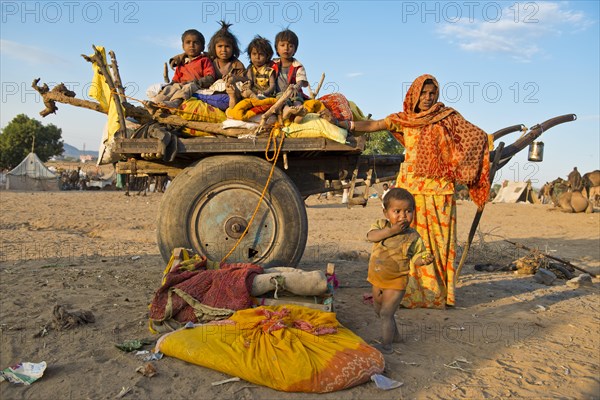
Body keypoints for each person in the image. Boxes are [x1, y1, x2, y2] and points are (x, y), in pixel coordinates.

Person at [343, 74, 490, 308]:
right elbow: (373, 125)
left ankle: (436, 295)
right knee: (406, 241)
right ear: (414, 94)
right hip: (409, 192)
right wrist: (347, 125)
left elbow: (477, 137)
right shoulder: (404, 119)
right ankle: (407, 294)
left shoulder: (448, 118)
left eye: (432, 93)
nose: (428, 97)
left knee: (437, 245)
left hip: (440, 190)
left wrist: (465, 162)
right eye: (423, 92)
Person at [367, 188, 433, 354]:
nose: (403, 216)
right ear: (386, 212)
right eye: (397, 211)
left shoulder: (413, 236)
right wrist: (391, 231)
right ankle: (395, 336)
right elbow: (371, 236)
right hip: (377, 277)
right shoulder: (381, 226)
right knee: (378, 310)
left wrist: (424, 260)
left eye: (408, 211)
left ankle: (386, 346)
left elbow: (417, 257)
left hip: (396, 281)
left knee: (386, 313)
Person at [153, 29, 216, 108]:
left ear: (202, 47)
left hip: (196, 85)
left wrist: (194, 82)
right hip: (181, 85)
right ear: (183, 46)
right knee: (170, 88)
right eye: (188, 42)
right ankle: (156, 103)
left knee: (188, 87)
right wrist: (170, 85)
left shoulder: (204, 60)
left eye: (195, 42)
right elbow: (176, 79)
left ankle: (176, 102)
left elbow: (210, 77)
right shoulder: (181, 63)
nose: (191, 45)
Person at [271, 28, 309, 122]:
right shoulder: (272, 64)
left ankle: (299, 112)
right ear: (277, 48)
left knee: (297, 99)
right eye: (282, 45)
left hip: (294, 92)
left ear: (295, 50)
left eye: (290, 46)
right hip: (279, 93)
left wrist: (296, 87)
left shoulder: (298, 65)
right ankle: (286, 111)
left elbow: (300, 80)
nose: (286, 48)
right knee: (281, 101)